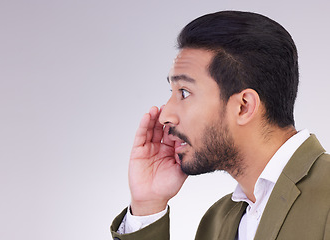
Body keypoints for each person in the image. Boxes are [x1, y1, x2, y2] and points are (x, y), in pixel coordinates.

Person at [110, 11, 330, 240]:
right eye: (171, 92)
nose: (165, 115)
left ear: (244, 106)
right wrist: (147, 206)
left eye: (184, 92)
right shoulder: (217, 222)